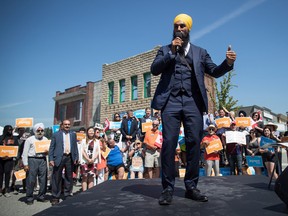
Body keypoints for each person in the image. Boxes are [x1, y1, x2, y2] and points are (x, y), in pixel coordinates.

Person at [150, 13, 236, 205]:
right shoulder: (165, 50)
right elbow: (154, 69)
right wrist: (172, 52)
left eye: (183, 26)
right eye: (176, 26)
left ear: (189, 29)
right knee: (169, 144)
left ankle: (191, 186)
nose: (179, 29)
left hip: (193, 103)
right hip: (170, 103)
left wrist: (228, 63)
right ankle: (167, 189)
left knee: (194, 143)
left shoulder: (200, 52)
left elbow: (213, 71)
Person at [48, 119, 79, 206]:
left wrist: (76, 157)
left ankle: (67, 194)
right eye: (65, 124)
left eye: (68, 124)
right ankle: (55, 197)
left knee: (69, 177)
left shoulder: (73, 134)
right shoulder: (56, 135)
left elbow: (75, 147)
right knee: (56, 177)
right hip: (59, 158)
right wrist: (50, 159)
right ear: (62, 125)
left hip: (69, 157)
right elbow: (51, 148)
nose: (67, 126)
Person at [22, 123, 49, 205]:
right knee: (31, 179)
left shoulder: (45, 139)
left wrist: (47, 152)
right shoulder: (29, 139)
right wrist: (25, 164)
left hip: (42, 160)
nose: (40, 132)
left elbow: (48, 151)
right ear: (35, 131)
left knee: (43, 179)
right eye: (38, 130)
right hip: (32, 159)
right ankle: (29, 197)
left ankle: (41, 196)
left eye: (41, 130)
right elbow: (25, 153)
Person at [0, 125, 19, 197]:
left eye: (11, 129)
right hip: (1, 159)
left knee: (7, 174)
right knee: (0, 174)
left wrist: (13, 155)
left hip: (9, 160)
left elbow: (16, 147)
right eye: (8, 130)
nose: (10, 131)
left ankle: (6, 190)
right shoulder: (1, 138)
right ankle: (0, 189)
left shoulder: (14, 138)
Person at [80, 126, 100, 191]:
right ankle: (84, 192)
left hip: (94, 161)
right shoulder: (83, 140)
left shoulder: (97, 141)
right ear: (87, 132)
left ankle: (90, 192)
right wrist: (88, 159)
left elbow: (97, 151)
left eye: (92, 131)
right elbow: (82, 150)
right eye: (90, 131)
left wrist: (93, 159)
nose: (91, 132)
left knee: (91, 177)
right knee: (85, 176)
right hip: (85, 161)